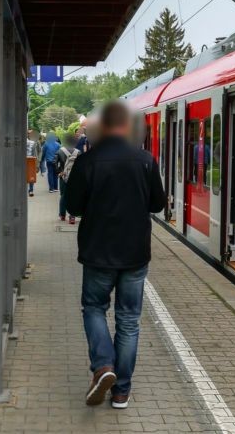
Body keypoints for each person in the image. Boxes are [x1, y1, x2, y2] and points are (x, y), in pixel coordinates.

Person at [65, 100, 166, 410]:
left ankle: (104, 365)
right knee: (129, 320)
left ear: (103, 127)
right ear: (125, 126)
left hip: (97, 253)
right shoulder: (146, 160)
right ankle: (121, 391)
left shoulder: (87, 162)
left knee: (94, 308)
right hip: (135, 254)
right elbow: (157, 204)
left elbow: (74, 207)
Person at [55, 134, 77, 223]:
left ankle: (62, 215)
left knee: (63, 196)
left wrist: (59, 172)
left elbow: (54, 162)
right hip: (75, 178)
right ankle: (72, 216)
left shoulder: (60, 151)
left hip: (63, 176)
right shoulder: (78, 152)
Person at [26, 130, 41, 197]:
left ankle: (31, 190)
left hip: (32, 160)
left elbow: (40, 151)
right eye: (29, 134)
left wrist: (39, 160)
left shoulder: (36, 141)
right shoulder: (24, 140)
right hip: (24, 160)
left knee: (31, 176)